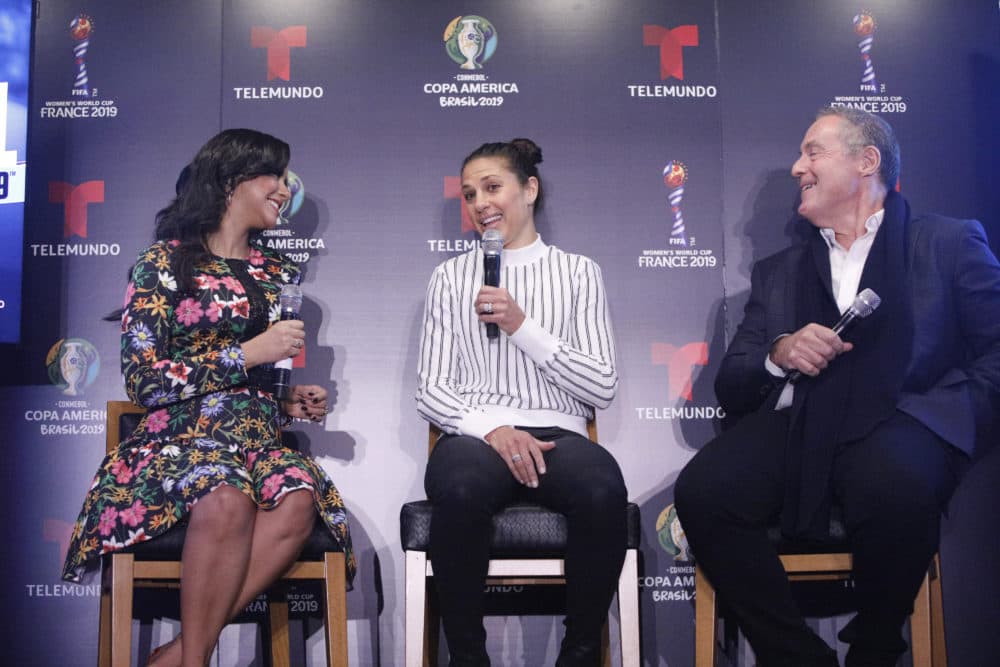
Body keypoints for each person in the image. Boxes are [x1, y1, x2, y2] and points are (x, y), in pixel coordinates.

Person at [675, 107, 1000, 667]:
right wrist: (780, 354)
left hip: (904, 419)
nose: (798, 166)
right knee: (706, 490)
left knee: (893, 470)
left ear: (867, 161)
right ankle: (798, 658)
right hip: (799, 423)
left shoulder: (946, 243)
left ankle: (873, 649)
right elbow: (732, 384)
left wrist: (948, 418)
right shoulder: (778, 272)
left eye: (812, 152)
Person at [61, 129, 355, 667]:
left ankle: (178, 654)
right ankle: (195, 662)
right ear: (231, 180)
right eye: (274, 176)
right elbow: (144, 381)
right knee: (225, 495)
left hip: (256, 441)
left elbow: (260, 379)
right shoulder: (165, 264)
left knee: (296, 497)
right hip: (179, 442)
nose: (285, 189)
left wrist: (288, 403)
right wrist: (249, 353)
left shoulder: (275, 276)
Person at [415, 138, 628, 667]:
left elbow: (600, 386)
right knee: (460, 489)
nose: (480, 203)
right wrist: (492, 429)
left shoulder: (579, 273)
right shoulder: (449, 277)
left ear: (529, 189)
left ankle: (579, 654)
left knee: (602, 489)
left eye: (492, 187)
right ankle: (468, 658)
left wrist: (521, 326)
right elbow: (431, 388)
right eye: (469, 194)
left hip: (559, 433)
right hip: (474, 435)